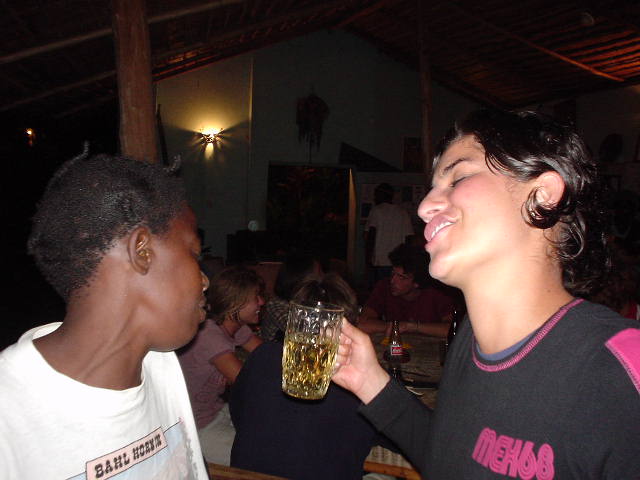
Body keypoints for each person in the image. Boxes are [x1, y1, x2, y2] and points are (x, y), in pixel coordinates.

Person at [332, 109, 640, 479]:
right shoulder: (469, 343)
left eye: (458, 177)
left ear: (542, 195)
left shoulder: (619, 367)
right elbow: (455, 460)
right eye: (433, 187)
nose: (425, 207)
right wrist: (369, 381)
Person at [0, 153, 210, 478]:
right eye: (194, 254)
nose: (205, 280)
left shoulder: (160, 365)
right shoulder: (9, 413)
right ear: (142, 251)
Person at [230, 273, 379, 480]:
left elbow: (238, 411)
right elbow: (388, 436)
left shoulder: (263, 354)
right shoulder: (359, 377)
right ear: (349, 322)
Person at [178, 265, 264, 465]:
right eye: (256, 297)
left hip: (216, 411)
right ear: (235, 303)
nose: (262, 302)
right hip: (195, 428)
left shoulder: (234, 326)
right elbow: (248, 384)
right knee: (257, 458)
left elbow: (267, 356)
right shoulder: (209, 334)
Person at [358, 243, 456, 338]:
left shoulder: (437, 293)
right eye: (393, 273)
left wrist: (412, 327)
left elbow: (454, 330)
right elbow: (362, 323)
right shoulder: (384, 287)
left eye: (401, 277)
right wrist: (395, 327)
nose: (393, 281)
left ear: (416, 283)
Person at [259, 252, 322, 341]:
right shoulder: (276, 305)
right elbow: (300, 331)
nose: (321, 278)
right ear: (301, 278)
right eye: (317, 274)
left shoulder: (305, 303)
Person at [365, 183, 414, 284]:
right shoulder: (403, 212)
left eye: (376, 195)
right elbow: (409, 238)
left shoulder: (376, 210)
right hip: (397, 260)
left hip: (380, 260)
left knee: (381, 287)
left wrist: (368, 257)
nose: (374, 198)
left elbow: (371, 235)